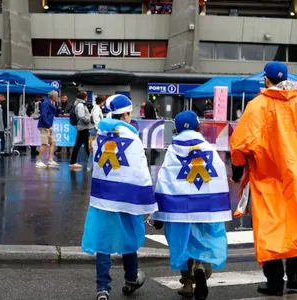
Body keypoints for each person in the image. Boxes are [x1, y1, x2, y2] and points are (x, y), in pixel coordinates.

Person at [230, 61, 297, 297]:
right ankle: (295, 276)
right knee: (296, 224)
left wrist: (237, 172)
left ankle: (275, 281)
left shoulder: (257, 107)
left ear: (266, 80)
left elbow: (240, 145)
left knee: (271, 229)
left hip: (267, 179)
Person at [81, 94, 158, 300]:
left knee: (102, 241)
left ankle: (102, 288)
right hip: (126, 195)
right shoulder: (132, 138)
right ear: (125, 114)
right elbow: (140, 170)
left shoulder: (101, 136)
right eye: (129, 113)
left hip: (103, 195)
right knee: (129, 237)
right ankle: (131, 278)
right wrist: (147, 199)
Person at [151, 111, 231, 300]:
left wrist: (159, 211)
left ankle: (187, 282)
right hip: (206, 205)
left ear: (176, 129)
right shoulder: (208, 149)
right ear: (198, 127)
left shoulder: (173, 150)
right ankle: (201, 265)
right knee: (203, 238)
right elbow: (219, 177)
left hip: (179, 207)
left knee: (182, 242)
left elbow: (164, 179)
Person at [69, 91, 94, 170]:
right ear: (84, 97)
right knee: (86, 146)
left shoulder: (79, 104)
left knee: (81, 145)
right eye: (86, 96)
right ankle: (91, 163)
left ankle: (73, 162)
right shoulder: (80, 105)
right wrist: (88, 119)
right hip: (83, 127)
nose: (87, 98)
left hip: (82, 127)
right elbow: (81, 116)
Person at [36, 91, 60, 169]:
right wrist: (48, 124)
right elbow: (43, 114)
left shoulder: (51, 103)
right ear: (53, 97)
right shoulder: (46, 103)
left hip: (49, 125)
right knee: (44, 143)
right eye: (56, 96)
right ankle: (38, 161)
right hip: (45, 126)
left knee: (53, 142)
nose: (57, 98)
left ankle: (50, 160)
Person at [87, 96, 105, 170]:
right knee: (94, 148)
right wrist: (98, 130)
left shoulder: (96, 108)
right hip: (95, 130)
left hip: (94, 129)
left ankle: (91, 166)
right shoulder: (97, 109)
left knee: (94, 148)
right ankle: (90, 166)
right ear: (101, 102)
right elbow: (96, 120)